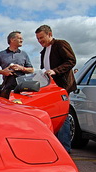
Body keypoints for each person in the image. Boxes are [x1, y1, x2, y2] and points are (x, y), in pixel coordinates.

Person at [35, 24, 77, 153]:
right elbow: (43, 69)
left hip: (63, 87)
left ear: (50, 34)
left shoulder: (60, 44)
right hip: (50, 88)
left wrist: (55, 71)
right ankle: (57, 146)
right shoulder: (43, 52)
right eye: (38, 39)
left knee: (62, 115)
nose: (40, 41)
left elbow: (71, 60)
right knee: (53, 115)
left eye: (42, 37)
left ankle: (65, 148)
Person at [0, 31, 34, 99]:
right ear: (12, 39)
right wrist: (3, 72)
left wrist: (22, 68)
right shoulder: (1, 54)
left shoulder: (24, 54)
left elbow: (31, 70)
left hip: (22, 88)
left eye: (22, 39)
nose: (22, 40)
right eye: (20, 38)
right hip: (7, 88)